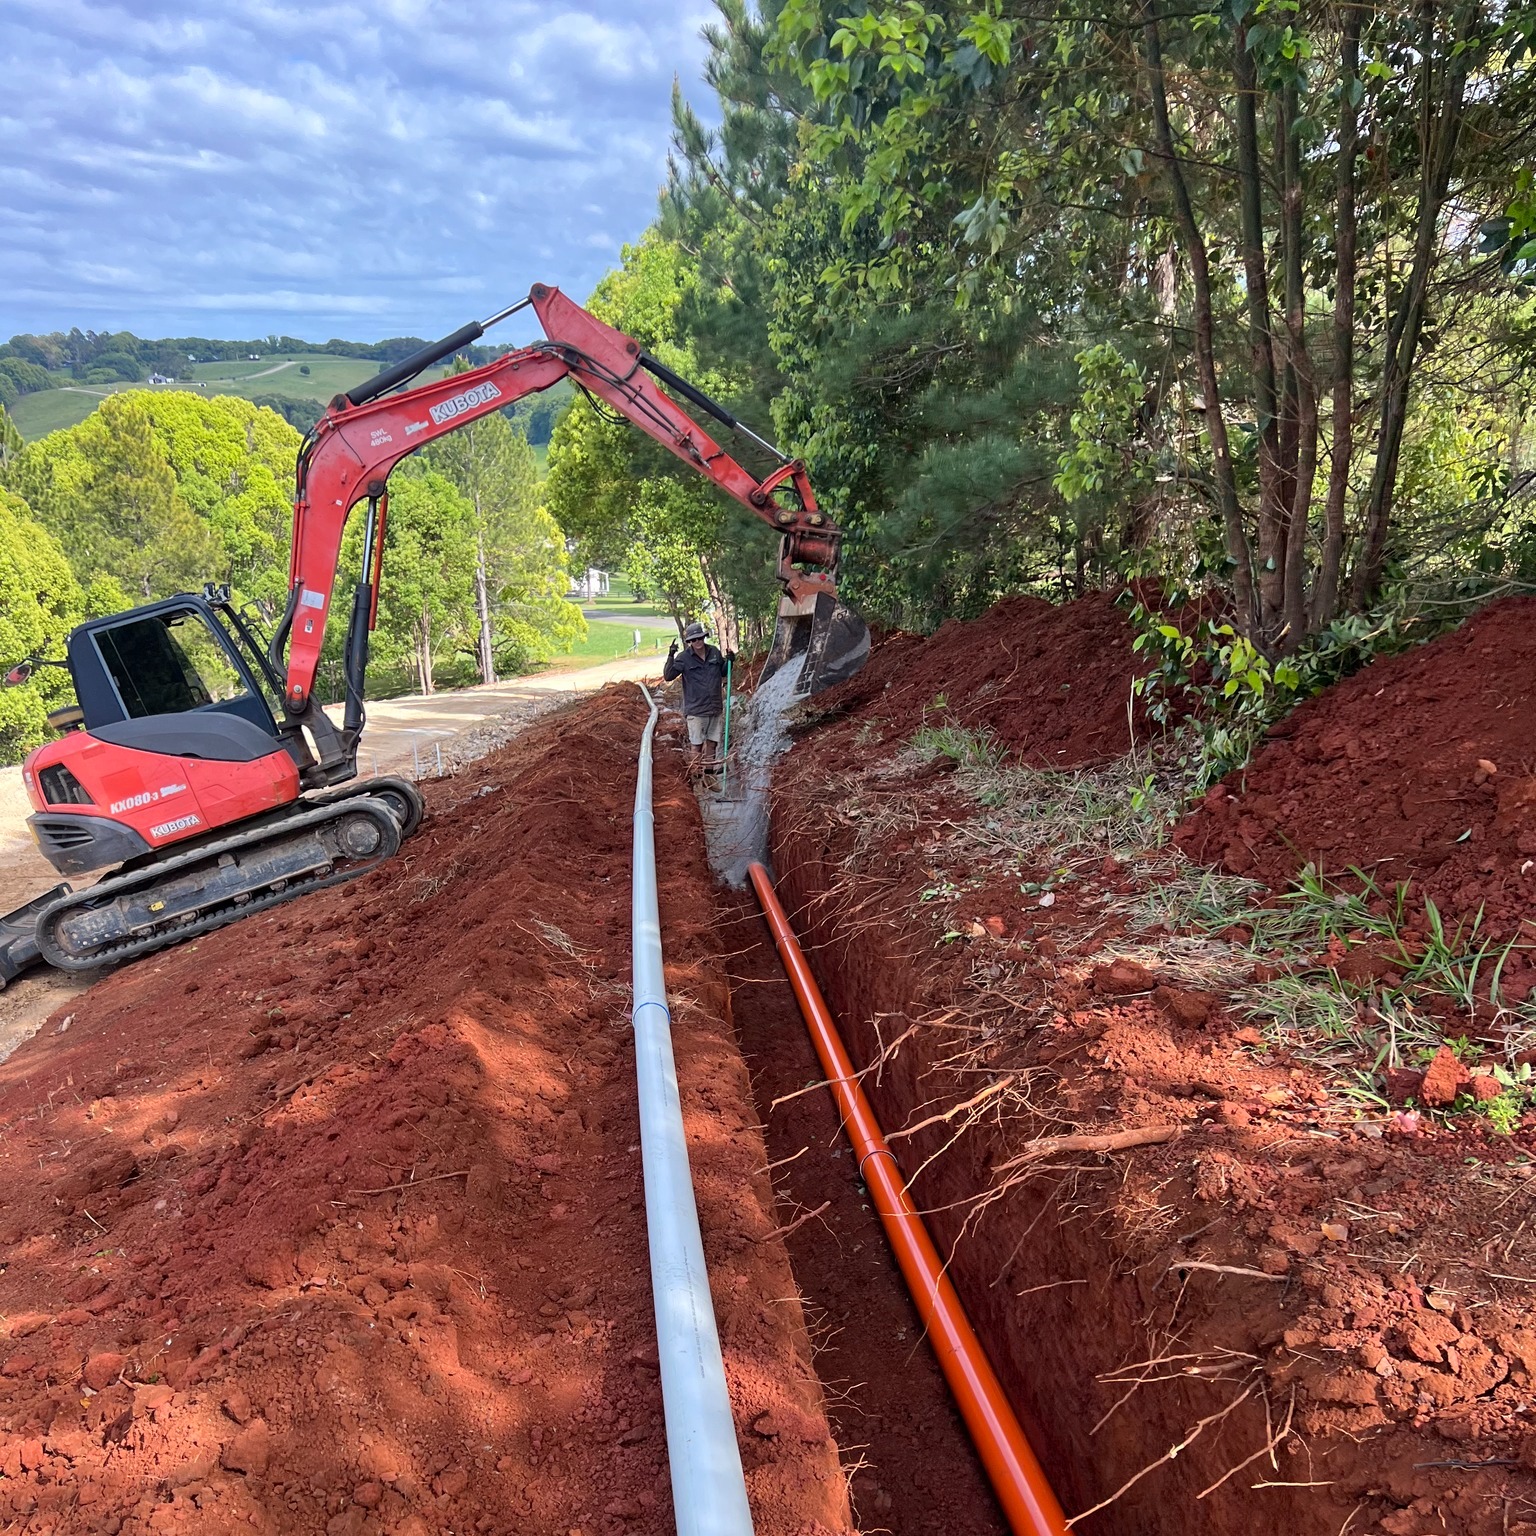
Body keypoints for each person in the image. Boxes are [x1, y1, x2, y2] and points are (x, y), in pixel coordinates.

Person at [662, 621, 733, 786]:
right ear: (689, 642)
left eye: (700, 638)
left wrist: (730, 661)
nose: (698, 642)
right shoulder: (683, 658)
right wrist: (671, 656)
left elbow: (723, 672)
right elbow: (668, 676)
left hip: (715, 707)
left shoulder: (714, 652)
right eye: (694, 640)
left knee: (712, 743)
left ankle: (709, 777)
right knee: (697, 745)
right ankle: (696, 778)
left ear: (704, 637)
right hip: (696, 710)